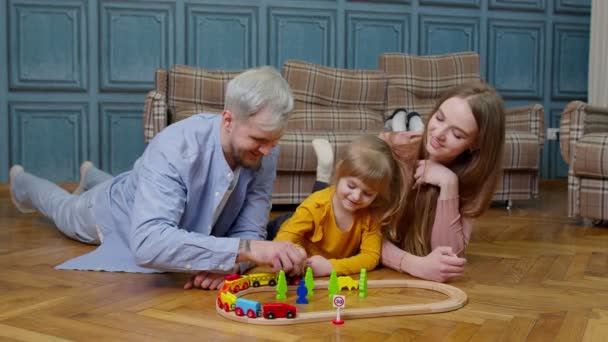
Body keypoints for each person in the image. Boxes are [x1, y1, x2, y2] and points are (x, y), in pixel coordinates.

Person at [9, 66, 307, 290]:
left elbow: (250, 230)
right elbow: (149, 243)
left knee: (133, 181)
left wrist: (232, 263)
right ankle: (22, 182)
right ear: (228, 120)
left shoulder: (263, 150)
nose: (269, 150)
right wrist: (245, 251)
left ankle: (91, 175)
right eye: (259, 139)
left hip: (143, 184)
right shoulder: (174, 146)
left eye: (274, 140)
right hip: (113, 212)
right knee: (64, 210)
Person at [302, 81, 505, 283]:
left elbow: (450, 256)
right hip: (330, 228)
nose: (438, 134)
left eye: (457, 134)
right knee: (288, 221)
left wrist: (448, 185)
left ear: (476, 144)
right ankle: (323, 176)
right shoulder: (398, 152)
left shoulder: (474, 177)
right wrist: (414, 264)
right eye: (439, 118)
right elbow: (364, 229)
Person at [272, 135, 409, 277]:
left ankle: (324, 176)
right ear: (339, 171)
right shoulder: (315, 205)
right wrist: (295, 254)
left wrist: (331, 267)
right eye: (351, 186)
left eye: (368, 194)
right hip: (282, 225)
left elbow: (370, 257)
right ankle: (323, 174)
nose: (356, 197)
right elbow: (283, 240)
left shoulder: (371, 214)